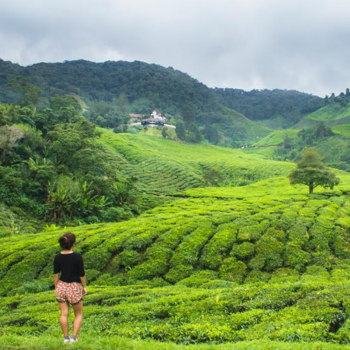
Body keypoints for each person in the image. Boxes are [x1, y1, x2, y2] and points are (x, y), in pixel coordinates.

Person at [54, 232, 86, 344]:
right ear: (73, 243)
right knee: (78, 314)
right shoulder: (78, 256)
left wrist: (56, 288)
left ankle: (66, 338)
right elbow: (81, 274)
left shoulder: (57, 257)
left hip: (61, 286)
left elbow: (56, 275)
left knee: (63, 314)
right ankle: (74, 337)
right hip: (74, 286)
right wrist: (84, 287)